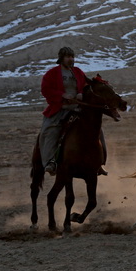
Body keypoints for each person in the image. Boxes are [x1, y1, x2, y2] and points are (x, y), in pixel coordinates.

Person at [39, 47, 108, 176]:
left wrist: (81, 93)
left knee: (97, 131)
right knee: (49, 132)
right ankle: (50, 162)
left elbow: (86, 85)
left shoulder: (77, 72)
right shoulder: (52, 73)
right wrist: (62, 95)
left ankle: (98, 163)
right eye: (67, 57)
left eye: (72, 56)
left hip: (78, 109)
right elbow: (45, 90)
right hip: (60, 109)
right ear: (61, 58)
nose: (71, 59)